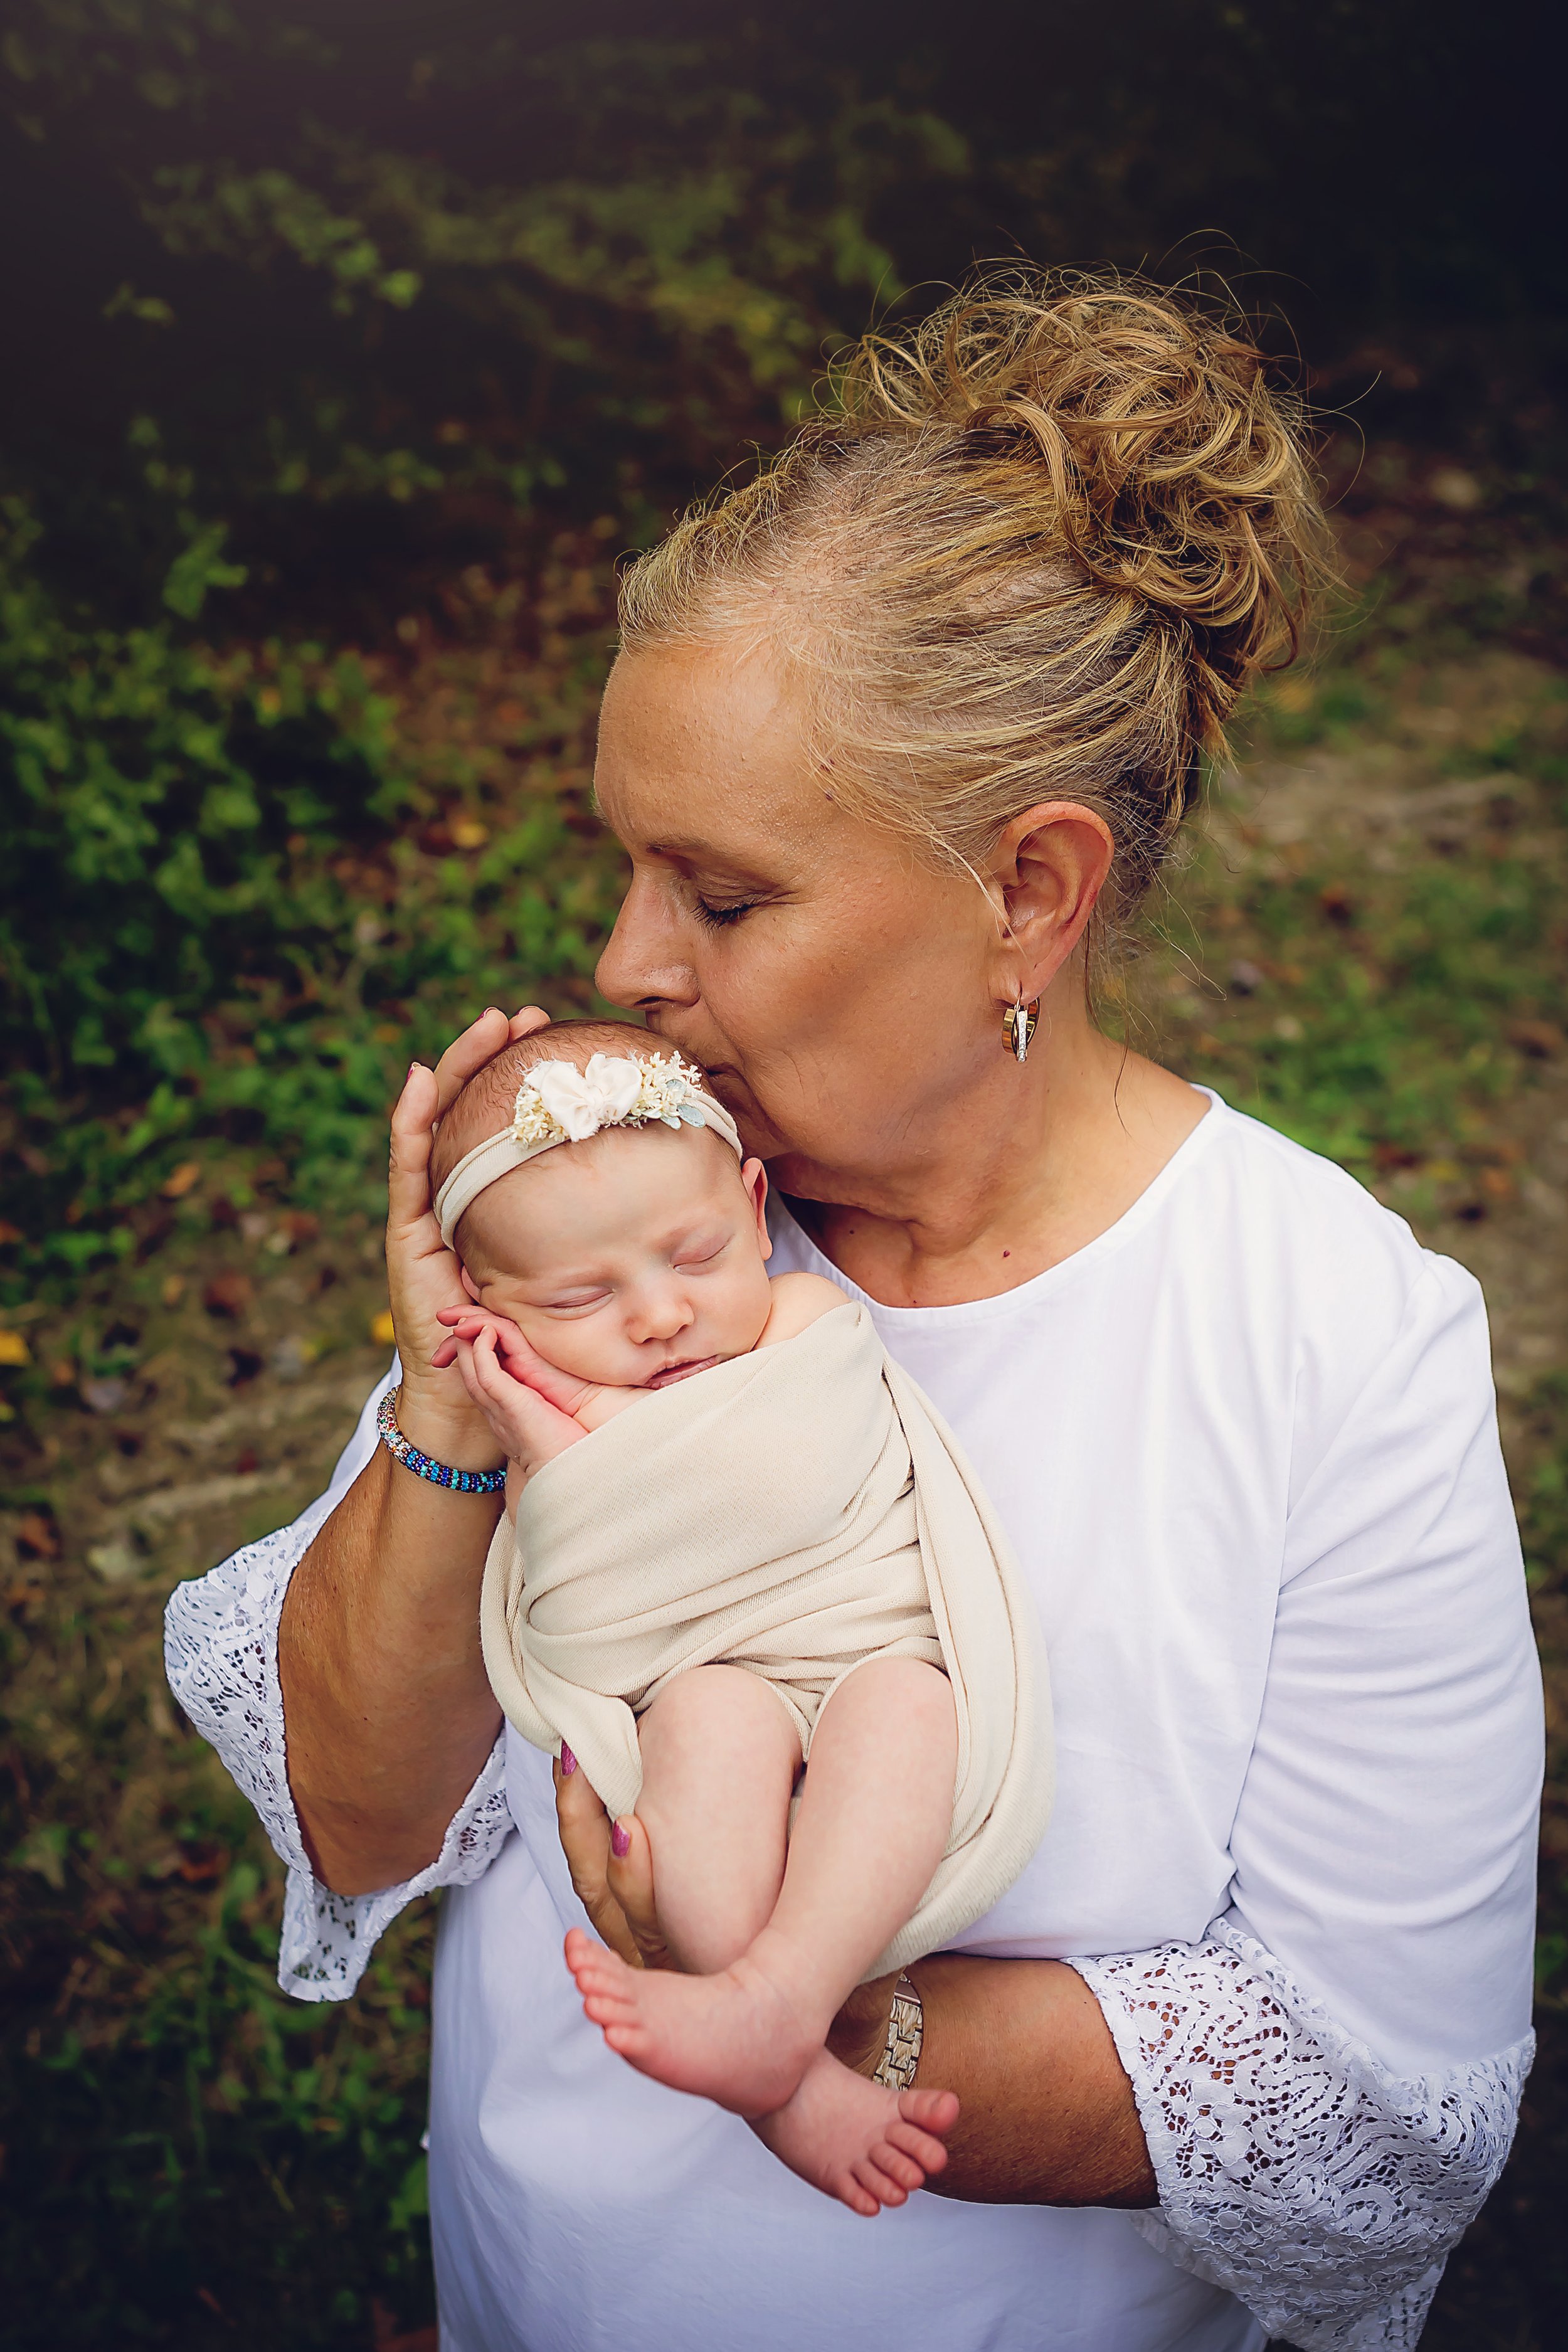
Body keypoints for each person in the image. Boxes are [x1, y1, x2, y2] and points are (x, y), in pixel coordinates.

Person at [166, 268, 1542, 2352]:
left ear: (1033, 891)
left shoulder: (1331, 1339)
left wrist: (796, 2006)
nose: (628, 961)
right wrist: (456, 1392)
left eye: (722, 897)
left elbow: (1368, 2096)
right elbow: (363, 1815)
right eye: (627, 866)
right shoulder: (640, 1219)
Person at [421, 1017, 1052, 2215]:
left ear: (755, 1205)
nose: (658, 1315)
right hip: (712, 1674)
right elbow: (587, 1565)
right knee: (703, 1722)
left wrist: (569, 1411)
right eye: (579, 1295)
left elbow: (782, 1469)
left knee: (912, 1707)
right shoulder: (534, 1413)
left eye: (696, 1253)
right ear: (483, 1301)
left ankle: (781, 1996)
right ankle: (788, 2074)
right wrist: (538, 1428)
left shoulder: (806, 1320)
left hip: (862, 1650)